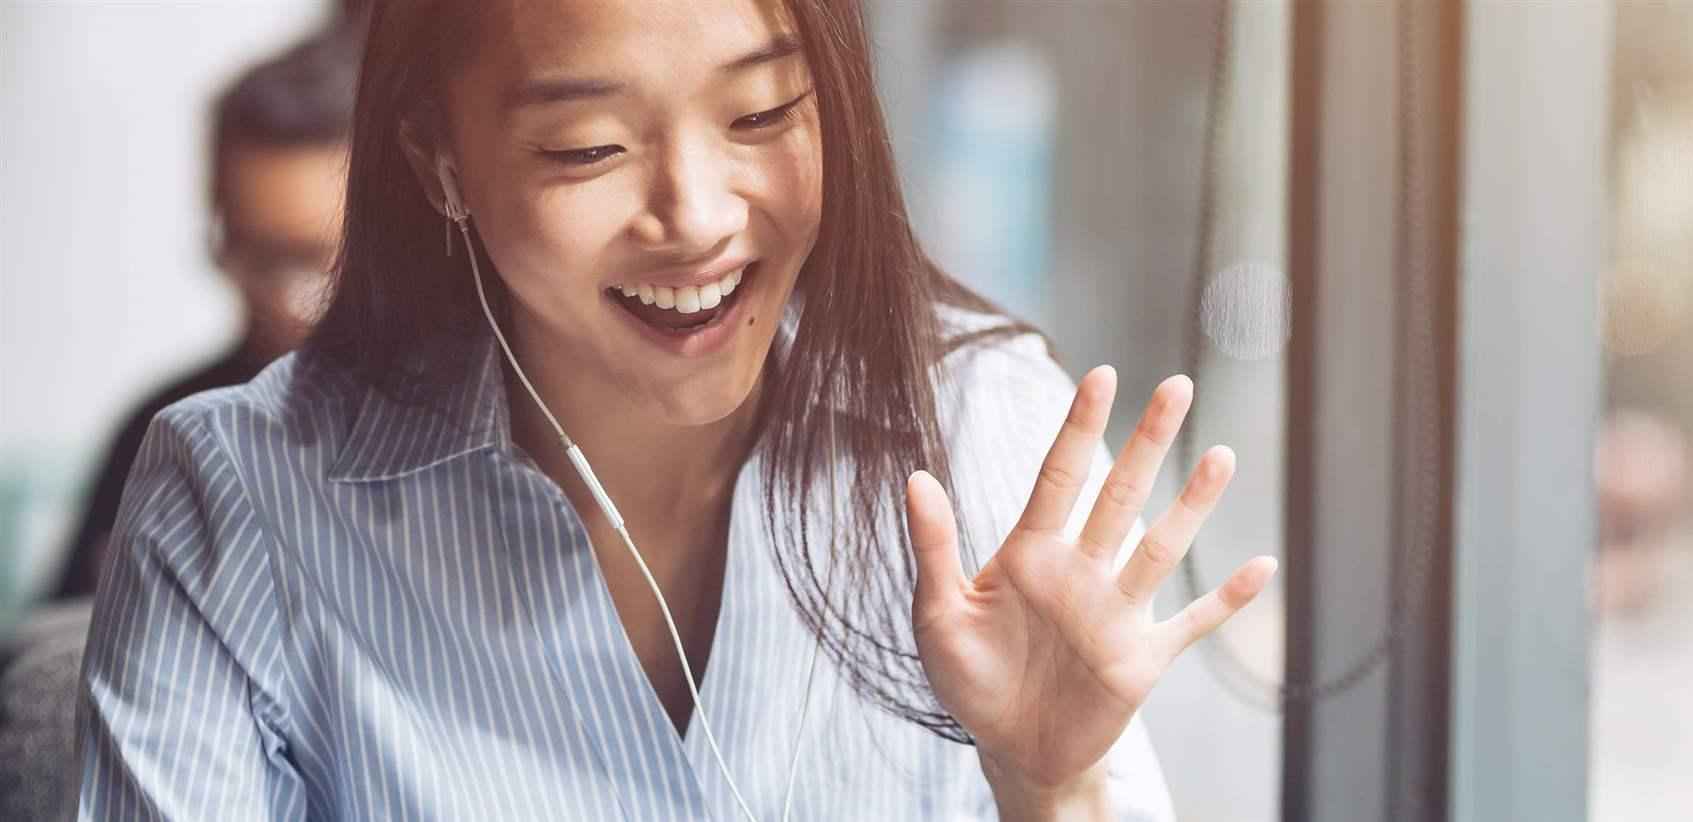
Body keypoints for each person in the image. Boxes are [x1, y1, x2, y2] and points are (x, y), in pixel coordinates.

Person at [74, 1, 1276, 820]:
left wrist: (1046, 790)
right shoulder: (240, 494)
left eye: (762, 115)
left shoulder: (985, 424)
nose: (696, 216)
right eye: (588, 148)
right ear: (437, 161)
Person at [50, 19, 362, 601]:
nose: (287, 303)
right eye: (252, 255)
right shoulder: (163, 430)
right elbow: (53, 646)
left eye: (318, 262)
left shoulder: (493, 417)